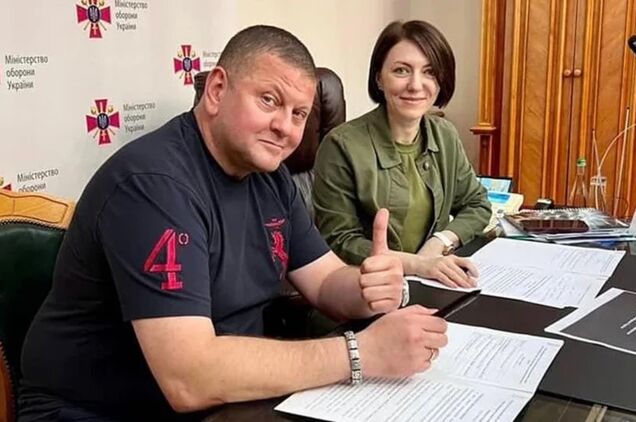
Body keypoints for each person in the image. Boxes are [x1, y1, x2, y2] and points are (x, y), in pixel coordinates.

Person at [19, 25, 447, 421]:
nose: (285, 128)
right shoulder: (152, 186)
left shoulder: (271, 177)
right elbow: (189, 377)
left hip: (228, 401)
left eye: (299, 114)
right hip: (97, 412)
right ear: (217, 90)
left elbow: (325, 280)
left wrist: (367, 288)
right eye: (269, 101)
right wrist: (360, 353)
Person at [312, 20, 492, 289]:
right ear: (379, 78)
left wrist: (439, 243)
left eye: (430, 72)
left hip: (431, 283)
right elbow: (339, 241)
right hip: (366, 291)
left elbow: (477, 204)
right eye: (401, 70)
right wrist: (418, 264)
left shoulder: (445, 135)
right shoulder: (340, 146)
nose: (416, 85)